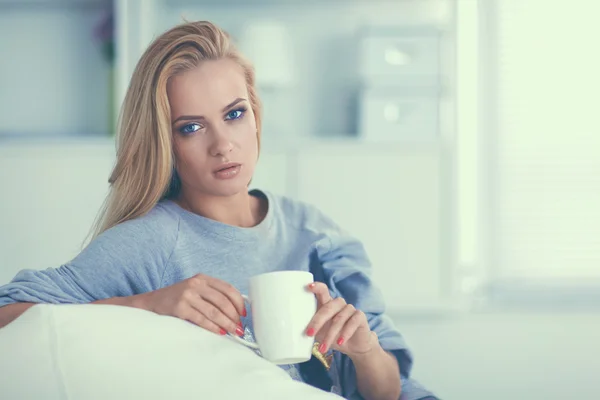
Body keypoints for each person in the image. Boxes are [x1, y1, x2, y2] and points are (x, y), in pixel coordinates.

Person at [0, 21, 437, 400]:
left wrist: (365, 350)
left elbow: (388, 391)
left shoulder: (315, 232)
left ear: (256, 115)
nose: (222, 144)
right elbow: (8, 319)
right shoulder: (152, 241)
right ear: (165, 142)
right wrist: (147, 305)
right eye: (191, 127)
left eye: (234, 114)